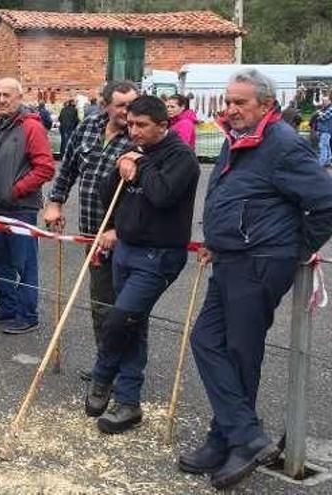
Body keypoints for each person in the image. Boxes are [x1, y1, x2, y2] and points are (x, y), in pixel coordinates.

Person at [182, 69, 332, 490]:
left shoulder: (283, 145)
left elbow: (325, 203)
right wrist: (216, 237)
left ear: (265, 105)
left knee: (240, 352)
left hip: (260, 262)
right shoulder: (238, 140)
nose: (230, 110)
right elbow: (234, 196)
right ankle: (237, 435)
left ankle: (237, 440)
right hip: (230, 259)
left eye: (239, 103)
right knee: (208, 342)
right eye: (228, 102)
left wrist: (291, 249)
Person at [85, 95, 199, 434]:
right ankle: (129, 402)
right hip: (127, 249)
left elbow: (162, 195)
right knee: (132, 323)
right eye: (130, 124)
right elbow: (110, 197)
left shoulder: (181, 158)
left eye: (141, 125)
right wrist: (120, 168)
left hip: (159, 254)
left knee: (121, 318)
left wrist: (142, 166)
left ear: (162, 125)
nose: (133, 131)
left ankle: (103, 374)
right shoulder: (135, 153)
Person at [44, 81, 137, 369]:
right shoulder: (88, 127)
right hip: (91, 234)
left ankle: (124, 371)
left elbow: (151, 195)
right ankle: (105, 365)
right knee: (101, 302)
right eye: (121, 105)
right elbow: (68, 169)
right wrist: (55, 203)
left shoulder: (140, 135)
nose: (128, 112)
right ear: (105, 105)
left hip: (126, 237)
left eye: (132, 104)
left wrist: (119, 229)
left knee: (126, 306)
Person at [0, 77, 55, 335]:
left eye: (7, 95)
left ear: (19, 97)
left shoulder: (31, 127)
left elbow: (45, 168)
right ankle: (7, 307)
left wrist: (15, 191)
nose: (1, 100)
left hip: (21, 208)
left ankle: (27, 314)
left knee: (25, 263)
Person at [316, 95, 332, 167]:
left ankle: (321, 163)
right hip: (324, 131)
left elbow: (323, 117)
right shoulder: (325, 109)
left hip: (326, 131)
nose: (323, 103)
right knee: (327, 146)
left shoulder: (330, 109)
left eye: (325, 101)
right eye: (323, 101)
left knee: (323, 146)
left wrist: (319, 113)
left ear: (329, 101)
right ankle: (328, 161)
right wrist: (320, 113)